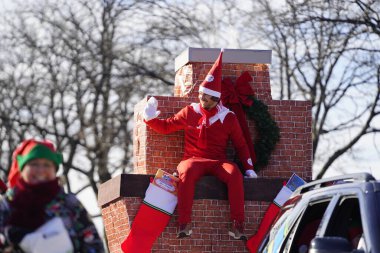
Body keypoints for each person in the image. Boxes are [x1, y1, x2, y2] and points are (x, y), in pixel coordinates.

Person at [143, 49, 257, 240]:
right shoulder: (190, 112)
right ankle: (184, 224)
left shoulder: (228, 117)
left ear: (216, 99)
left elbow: (241, 144)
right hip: (193, 159)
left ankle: (238, 225)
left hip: (218, 160)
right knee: (186, 171)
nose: (202, 99)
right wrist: (150, 117)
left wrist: (249, 168)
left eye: (206, 97)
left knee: (234, 173)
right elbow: (166, 127)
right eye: (201, 95)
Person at [0, 139, 104, 253]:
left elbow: (92, 241)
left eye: (47, 165)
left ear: (55, 170)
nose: (41, 170)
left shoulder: (69, 203)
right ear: (22, 169)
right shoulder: (7, 204)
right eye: (34, 164)